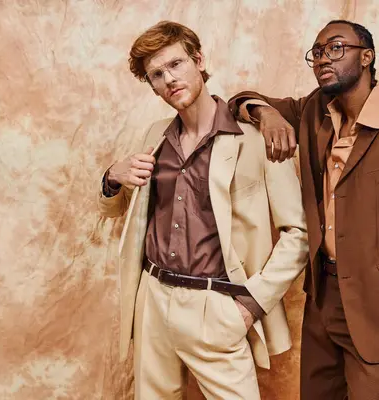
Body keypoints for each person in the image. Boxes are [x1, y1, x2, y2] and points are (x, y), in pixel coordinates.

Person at [228, 19, 379, 400]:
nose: (322, 59)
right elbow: (240, 102)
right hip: (323, 298)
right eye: (316, 53)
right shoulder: (315, 111)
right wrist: (265, 114)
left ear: (367, 57)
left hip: (378, 305)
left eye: (335, 48)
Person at [97, 21, 309, 400]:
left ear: (198, 60)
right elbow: (123, 212)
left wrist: (250, 304)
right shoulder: (154, 136)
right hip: (153, 297)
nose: (169, 80)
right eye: (156, 75)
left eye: (176, 65)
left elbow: (299, 234)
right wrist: (112, 178)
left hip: (218, 305)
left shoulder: (258, 138)